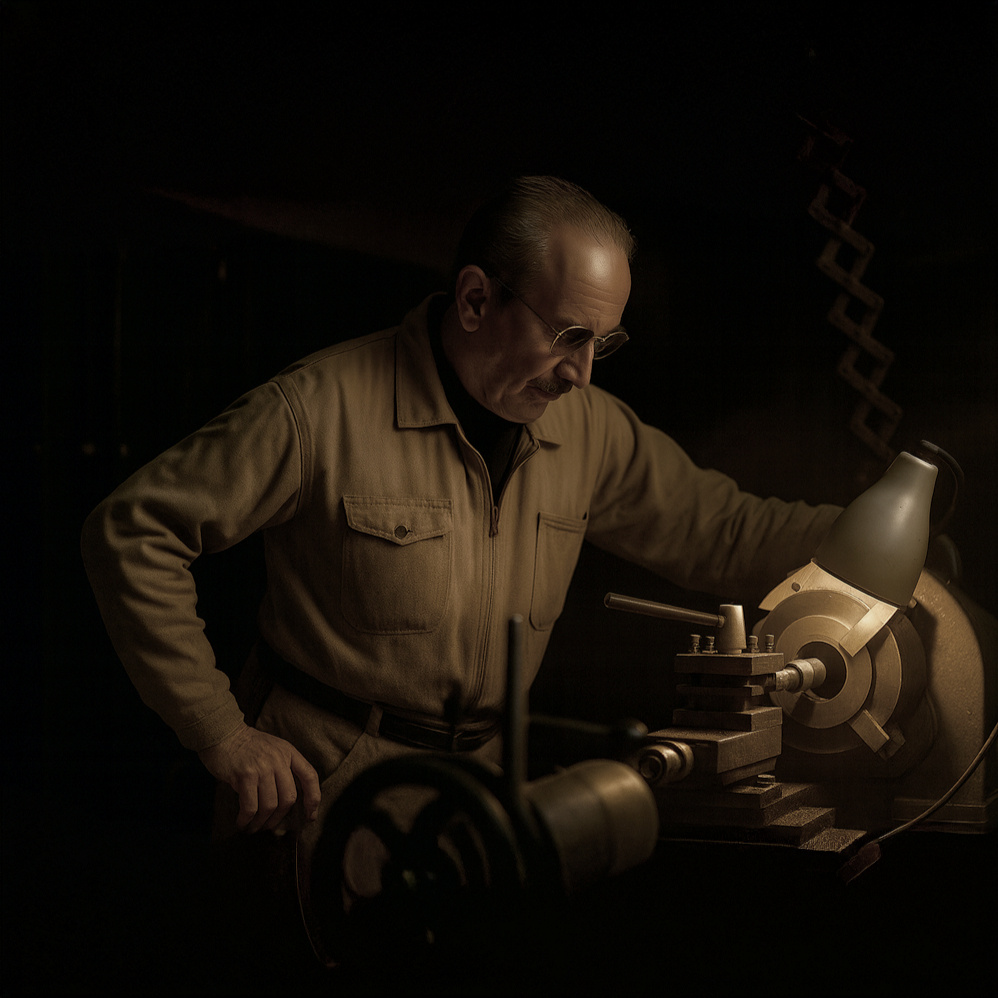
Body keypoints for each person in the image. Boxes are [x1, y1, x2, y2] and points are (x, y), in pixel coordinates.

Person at [81, 175, 840, 965]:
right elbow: (132, 532)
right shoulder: (319, 409)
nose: (582, 374)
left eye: (602, 343)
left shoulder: (589, 432)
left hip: (478, 800)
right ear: (476, 299)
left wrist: (888, 535)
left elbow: (724, 532)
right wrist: (221, 734)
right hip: (322, 799)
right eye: (567, 335)